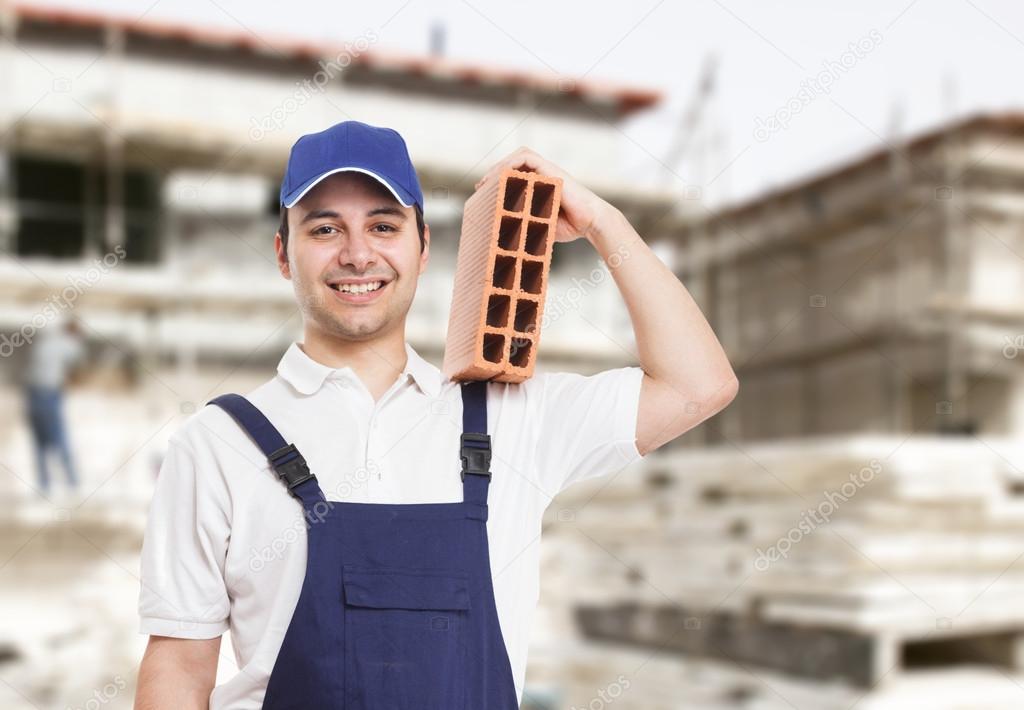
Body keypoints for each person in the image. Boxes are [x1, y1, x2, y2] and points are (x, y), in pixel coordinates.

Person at [134, 120, 737, 709]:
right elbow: (179, 670)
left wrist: (605, 222)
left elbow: (698, 385)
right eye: (324, 229)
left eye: (384, 224)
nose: (357, 253)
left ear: (423, 247)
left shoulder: (514, 418)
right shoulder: (218, 443)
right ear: (283, 255)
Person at [23, 316, 85, 495]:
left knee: (39, 442)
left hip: (32, 394)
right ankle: (73, 484)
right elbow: (78, 361)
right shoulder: (68, 344)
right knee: (60, 439)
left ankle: (44, 486)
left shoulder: (46, 341)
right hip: (50, 395)